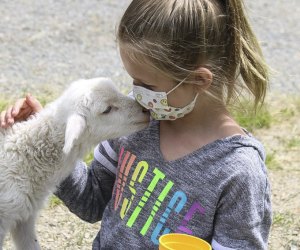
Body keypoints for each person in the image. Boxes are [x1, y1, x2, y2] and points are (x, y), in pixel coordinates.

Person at [0, 0, 272, 249]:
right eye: (134, 82)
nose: (138, 96)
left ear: (199, 80)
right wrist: (55, 138)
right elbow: (92, 200)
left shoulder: (238, 172)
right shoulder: (136, 126)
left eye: (148, 86)